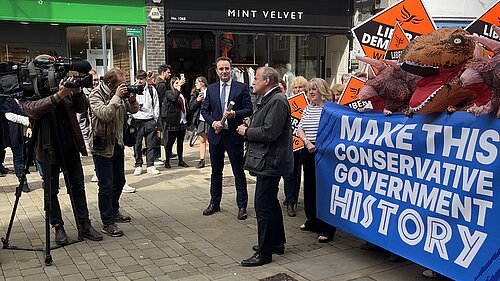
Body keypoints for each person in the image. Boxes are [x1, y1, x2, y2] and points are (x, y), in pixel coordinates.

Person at [22, 78, 103, 245]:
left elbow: (82, 108)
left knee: (78, 187)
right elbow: (32, 110)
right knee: (51, 191)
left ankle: (84, 224)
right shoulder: (31, 87)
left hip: (69, 145)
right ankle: (58, 227)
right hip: (47, 149)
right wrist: (59, 95)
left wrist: (77, 92)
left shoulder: (65, 87)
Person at [237, 66, 293, 267]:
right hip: (268, 160)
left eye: (256, 79)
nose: (253, 82)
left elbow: (271, 132)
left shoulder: (277, 101)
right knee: (270, 202)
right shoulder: (270, 99)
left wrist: (247, 131)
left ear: (267, 81)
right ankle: (276, 243)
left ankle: (265, 252)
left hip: (271, 161)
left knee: (262, 205)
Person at [89, 67, 140, 237]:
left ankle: (114, 210)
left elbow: (133, 111)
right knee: (106, 186)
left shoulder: (120, 94)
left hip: (117, 143)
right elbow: (104, 114)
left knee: (119, 182)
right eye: (121, 84)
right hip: (102, 146)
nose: (124, 87)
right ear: (111, 84)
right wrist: (117, 97)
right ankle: (107, 222)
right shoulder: (96, 95)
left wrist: (132, 100)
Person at [201, 56, 253, 220]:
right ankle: (214, 203)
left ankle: (242, 206)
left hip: (233, 136)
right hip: (216, 136)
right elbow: (204, 110)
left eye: (227, 68)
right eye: (221, 69)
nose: (224, 71)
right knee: (216, 172)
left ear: (231, 70)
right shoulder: (211, 88)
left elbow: (249, 109)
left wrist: (234, 114)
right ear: (216, 71)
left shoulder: (241, 87)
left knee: (238, 172)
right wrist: (213, 122)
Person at [297, 78, 337, 243]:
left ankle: (327, 228)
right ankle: (312, 220)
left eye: (314, 89)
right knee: (310, 188)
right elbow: (300, 128)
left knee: (324, 190)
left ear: (322, 90)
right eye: (309, 90)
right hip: (308, 151)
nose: (311, 92)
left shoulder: (330, 110)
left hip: (324, 154)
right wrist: (307, 142)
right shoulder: (308, 109)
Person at [282, 76, 309, 217]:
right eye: (296, 87)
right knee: (290, 173)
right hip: (291, 144)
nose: (298, 90)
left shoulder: (310, 105)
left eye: (301, 87)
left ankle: (296, 199)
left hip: (305, 143)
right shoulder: (287, 103)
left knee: (300, 174)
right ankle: (290, 201)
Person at [131, 70, 161, 176]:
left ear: (145, 79)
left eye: (141, 79)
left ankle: (150, 165)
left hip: (149, 120)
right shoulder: (132, 89)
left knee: (151, 144)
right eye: (137, 79)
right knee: (137, 144)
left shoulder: (151, 89)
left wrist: (155, 119)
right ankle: (138, 164)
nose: (139, 81)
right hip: (137, 120)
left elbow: (156, 104)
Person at [0, 97, 31, 192]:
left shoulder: (24, 97)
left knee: (20, 158)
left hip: (18, 133)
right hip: (8, 131)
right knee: (18, 158)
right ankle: (22, 181)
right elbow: (9, 115)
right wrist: (28, 121)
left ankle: (23, 181)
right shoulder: (5, 99)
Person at [161, 76, 190, 168]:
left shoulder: (181, 94)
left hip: (182, 120)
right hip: (173, 121)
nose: (178, 85)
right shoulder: (168, 93)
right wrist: (178, 89)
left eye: (179, 83)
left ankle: (181, 160)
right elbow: (173, 99)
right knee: (170, 142)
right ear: (172, 85)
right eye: (176, 83)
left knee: (180, 142)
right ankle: (167, 161)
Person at [189, 76, 209, 168]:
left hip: (209, 118)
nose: (196, 84)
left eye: (197, 82)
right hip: (200, 119)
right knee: (202, 139)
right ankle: (202, 160)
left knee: (212, 140)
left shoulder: (210, 92)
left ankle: (215, 157)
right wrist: (197, 101)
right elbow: (191, 108)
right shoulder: (195, 93)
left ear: (203, 83)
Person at [77, 69, 99, 151]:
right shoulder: (83, 95)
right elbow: (81, 119)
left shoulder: (101, 93)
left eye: (97, 80)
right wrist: (86, 139)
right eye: (94, 80)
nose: (96, 82)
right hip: (89, 136)